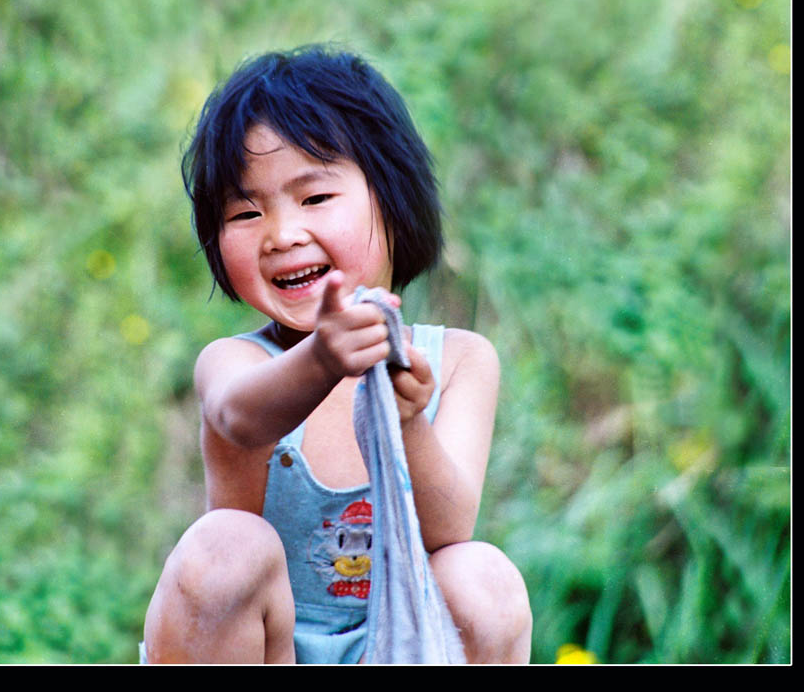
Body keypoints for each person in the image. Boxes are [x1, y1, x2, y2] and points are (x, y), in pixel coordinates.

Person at [142, 45, 531, 664]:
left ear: (392, 200)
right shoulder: (236, 363)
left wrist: (406, 422)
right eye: (246, 212)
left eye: (314, 199)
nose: (282, 234)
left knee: (482, 578)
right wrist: (324, 358)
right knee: (223, 547)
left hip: (401, 643)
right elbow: (239, 416)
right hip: (262, 649)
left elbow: (448, 528)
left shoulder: (458, 360)